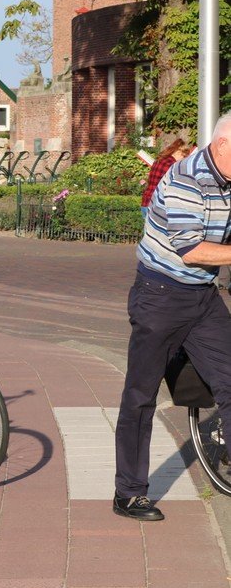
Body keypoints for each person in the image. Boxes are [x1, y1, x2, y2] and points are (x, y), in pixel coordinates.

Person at [114, 113, 231, 521]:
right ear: (221, 145)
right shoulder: (187, 179)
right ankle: (129, 493)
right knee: (141, 395)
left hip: (202, 295)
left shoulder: (228, 176)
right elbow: (192, 250)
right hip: (160, 294)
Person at [141, 138, 192, 218]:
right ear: (179, 152)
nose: (184, 159)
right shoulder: (171, 165)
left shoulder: (159, 160)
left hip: (146, 201)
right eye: (184, 156)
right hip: (157, 205)